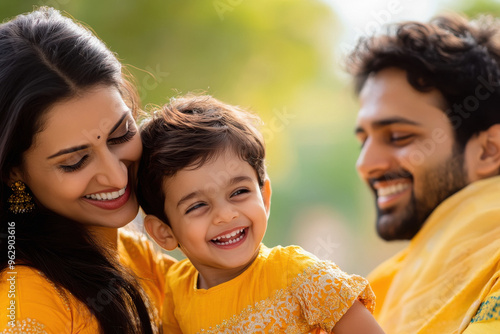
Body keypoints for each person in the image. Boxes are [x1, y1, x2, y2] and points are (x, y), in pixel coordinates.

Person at [137, 94, 385, 334]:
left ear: (264, 197)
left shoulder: (297, 275)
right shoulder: (177, 290)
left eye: (239, 192)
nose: (225, 215)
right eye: (197, 206)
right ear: (164, 232)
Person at [0, 7, 176, 333]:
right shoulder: (25, 300)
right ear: (15, 173)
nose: (117, 177)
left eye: (121, 134)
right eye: (74, 162)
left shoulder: (134, 253)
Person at [347, 13, 500, 334]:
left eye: (399, 137)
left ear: (489, 150)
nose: (366, 164)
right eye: (363, 141)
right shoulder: (380, 290)